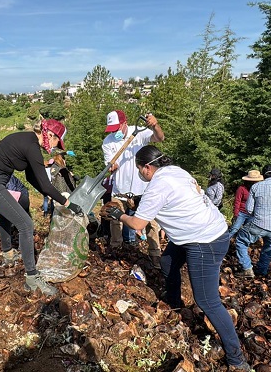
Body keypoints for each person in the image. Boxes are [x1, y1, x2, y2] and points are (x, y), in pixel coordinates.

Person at [100, 146, 250, 371]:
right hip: (202, 232)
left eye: (140, 169)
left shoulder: (158, 185)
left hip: (204, 240)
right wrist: (136, 200)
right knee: (168, 261)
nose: (140, 173)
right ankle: (173, 303)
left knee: (208, 301)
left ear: (148, 167)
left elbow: (138, 224)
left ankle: (237, 359)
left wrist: (117, 215)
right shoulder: (176, 171)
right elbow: (170, 198)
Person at [0, 119, 82, 296]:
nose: (56, 146)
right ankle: (32, 279)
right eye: (57, 141)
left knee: (7, 215)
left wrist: (48, 194)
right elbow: (46, 185)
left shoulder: (29, 142)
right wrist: (68, 204)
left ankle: (8, 254)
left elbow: (34, 179)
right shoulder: (31, 146)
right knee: (26, 225)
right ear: (50, 135)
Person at [102, 110, 164, 264]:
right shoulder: (107, 142)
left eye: (117, 128)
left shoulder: (139, 135)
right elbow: (110, 163)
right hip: (119, 190)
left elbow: (159, 138)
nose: (115, 132)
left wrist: (155, 125)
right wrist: (112, 166)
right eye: (112, 129)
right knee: (115, 220)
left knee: (151, 223)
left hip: (142, 189)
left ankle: (155, 255)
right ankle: (116, 249)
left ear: (125, 123)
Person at [228, 170, 264, 239]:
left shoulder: (259, 189)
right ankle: (226, 241)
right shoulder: (242, 189)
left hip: (252, 213)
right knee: (234, 228)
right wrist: (236, 214)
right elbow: (237, 201)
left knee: (247, 231)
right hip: (241, 212)